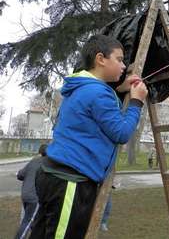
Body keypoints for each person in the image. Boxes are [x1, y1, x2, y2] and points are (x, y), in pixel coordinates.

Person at [30, 34, 148, 239]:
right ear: (101, 59)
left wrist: (119, 91)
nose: (123, 66)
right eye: (119, 59)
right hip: (70, 180)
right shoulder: (97, 93)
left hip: (54, 173)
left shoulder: (83, 87)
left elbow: (96, 113)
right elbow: (121, 133)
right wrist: (136, 102)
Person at [15, 144, 47, 239]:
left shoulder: (33, 161)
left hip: (25, 195)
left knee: (31, 220)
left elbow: (20, 175)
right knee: (28, 221)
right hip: (35, 197)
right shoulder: (48, 164)